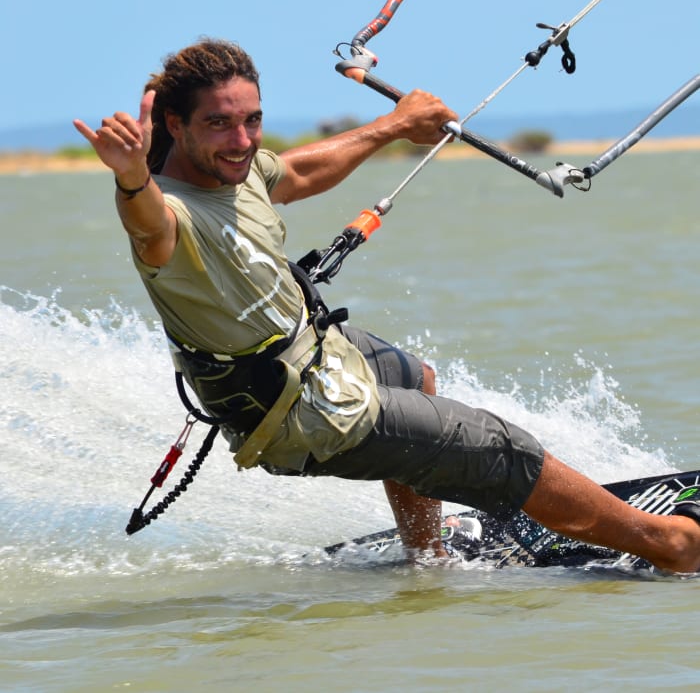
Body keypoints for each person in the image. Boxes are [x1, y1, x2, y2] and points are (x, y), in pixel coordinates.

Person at [75, 38, 700, 572]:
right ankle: (671, 546)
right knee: (502, 451)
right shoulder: (169, 213)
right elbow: (147, 223)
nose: (241, 140)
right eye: (219, 124)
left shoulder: (234, 172)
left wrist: (395, 125)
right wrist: (131, 177)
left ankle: (428, 557)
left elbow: (295, 174)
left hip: (311, 354)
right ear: (176, 125)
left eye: (252, 120)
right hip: (300, 408)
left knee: (411, 376)